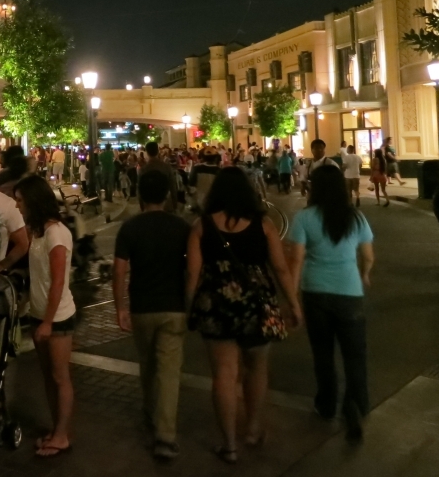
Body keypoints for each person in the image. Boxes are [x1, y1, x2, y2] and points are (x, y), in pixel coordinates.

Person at [186, 167, 301, 463]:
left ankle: (229, 445)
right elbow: (280, 268)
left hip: (216, 304)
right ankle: (251, 428)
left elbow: (193, 274)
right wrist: (293, 303)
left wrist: (187, 308)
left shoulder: (201, 226)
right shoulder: (264, 225)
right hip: (256, 305)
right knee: (257, 368)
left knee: (224, 373)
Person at [288, 165, 375, 442]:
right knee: (355, 354)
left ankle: (326, 404)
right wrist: (364, 273)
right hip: (350, 292)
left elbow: (296, 261)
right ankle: (356, 403)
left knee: (323, 353)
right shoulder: (356, 218)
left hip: (315, 293)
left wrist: (292, 300)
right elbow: (369, 255)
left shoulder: (304, 218)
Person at [113, 171, 190, 461]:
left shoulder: (130, 228)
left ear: (140, 195)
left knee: (147, 365)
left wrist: (120, 306)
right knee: (169, 372)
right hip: (174, 306)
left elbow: (119, 270)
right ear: (167, 196)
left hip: (142, 306)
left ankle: (150, 413)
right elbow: (192, 268)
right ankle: (165, 436)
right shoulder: (181, 227)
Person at [14, 174, 76, 458]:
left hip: (58, 316)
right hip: (39, 313)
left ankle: (61, 435)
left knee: (60, 376)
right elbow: (36, 277)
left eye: (20, 200)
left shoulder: (56, 234)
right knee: (48, 377)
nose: (17, 205)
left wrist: (49, 321)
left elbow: (58, 280)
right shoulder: (37, 232)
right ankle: (56, 429)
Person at [139, 141, 179, 213]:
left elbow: (140, 190)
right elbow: (173, 186)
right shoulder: (166, 167)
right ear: (158, 151)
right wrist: (175, 204)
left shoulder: (143, 169)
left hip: (149, 206)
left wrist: (142, 207)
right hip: (166, 204)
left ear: (147, 152)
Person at [188, 146, 222, 211]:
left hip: (199, 202)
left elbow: (191, 187)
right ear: (215, 158)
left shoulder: (197, 168)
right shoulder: (219, 171)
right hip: (214, 204)